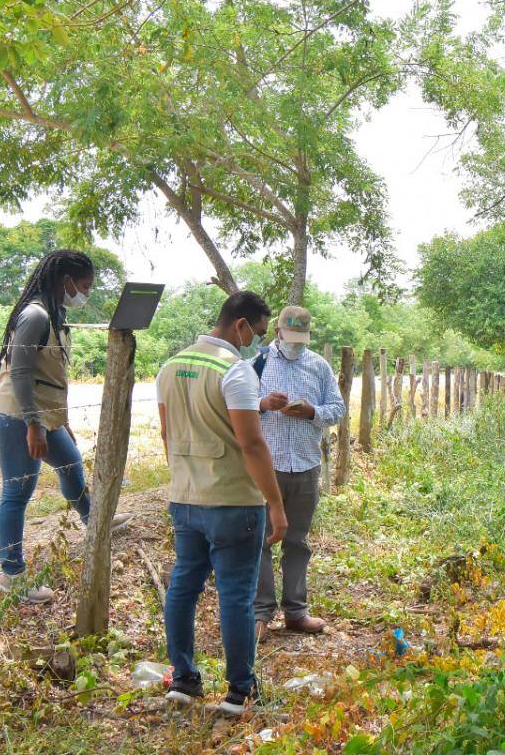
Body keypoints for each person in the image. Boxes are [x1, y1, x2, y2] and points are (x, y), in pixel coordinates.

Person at [156, 290, 289, 715]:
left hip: (185, 497)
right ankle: (239, 691)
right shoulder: (235, 372)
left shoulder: (170, 366)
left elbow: (166, 436)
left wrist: (184, 480)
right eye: (257, 332)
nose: (255, 341)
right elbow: (251, 443)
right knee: (236, 595)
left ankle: (183, 679)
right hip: (233, 501)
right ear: (240, 325)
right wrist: (275, 502)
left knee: (183, 587)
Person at [0, 250, 132, 604]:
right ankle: (12, 575)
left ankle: (95, 520)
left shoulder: (54, 315)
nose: (86, 293)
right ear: (64, 280)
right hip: (16, 414)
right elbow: (19, 372)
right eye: (83, 286)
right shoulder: (35, 315)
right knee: (17, 491)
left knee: (70, 462)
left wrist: (57, 423)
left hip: (42, 414)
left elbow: (47, 376)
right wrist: (34, 426)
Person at [251, 306, 345, 639]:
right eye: (290, 337)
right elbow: (239, 405)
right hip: (267, 465)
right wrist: (264, 404)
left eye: (300, 339)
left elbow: (337, 409)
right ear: (277, 331)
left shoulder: (319, 366)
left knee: (297, 541)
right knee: (261, 540)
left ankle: (296, 611)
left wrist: (310, 412)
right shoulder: (257, 363)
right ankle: (260, 614)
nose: (295, 344)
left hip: (305, 463)